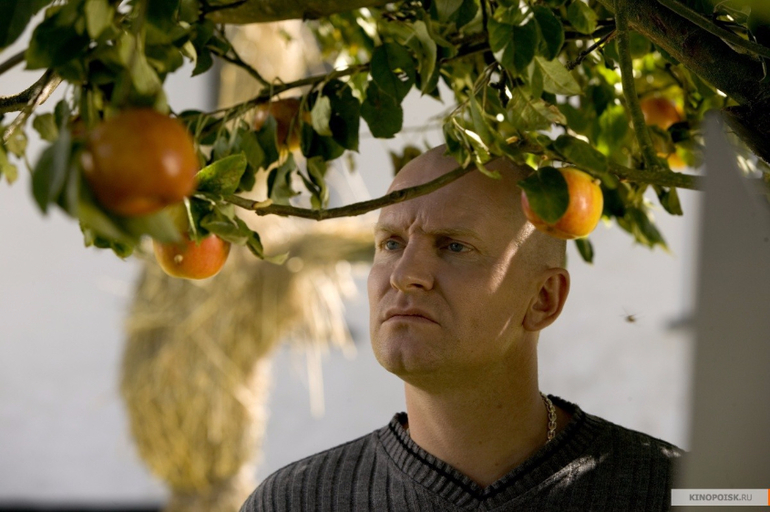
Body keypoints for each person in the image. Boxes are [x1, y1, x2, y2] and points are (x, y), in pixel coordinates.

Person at [240, 146, 683, 511]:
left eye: (454, 246)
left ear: (543, 299)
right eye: (391, 243)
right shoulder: (293, 502)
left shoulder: (677, 493)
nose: (404, 275)